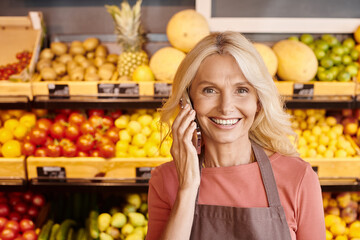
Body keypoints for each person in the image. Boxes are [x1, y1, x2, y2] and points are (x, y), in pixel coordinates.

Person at [146, 31, 326, 240]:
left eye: (241, 90)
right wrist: (187, 188)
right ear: (187, 100)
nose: (226, 107)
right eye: (210, 90)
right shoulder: (165, 180)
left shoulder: (299, 178)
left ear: (258, 101)